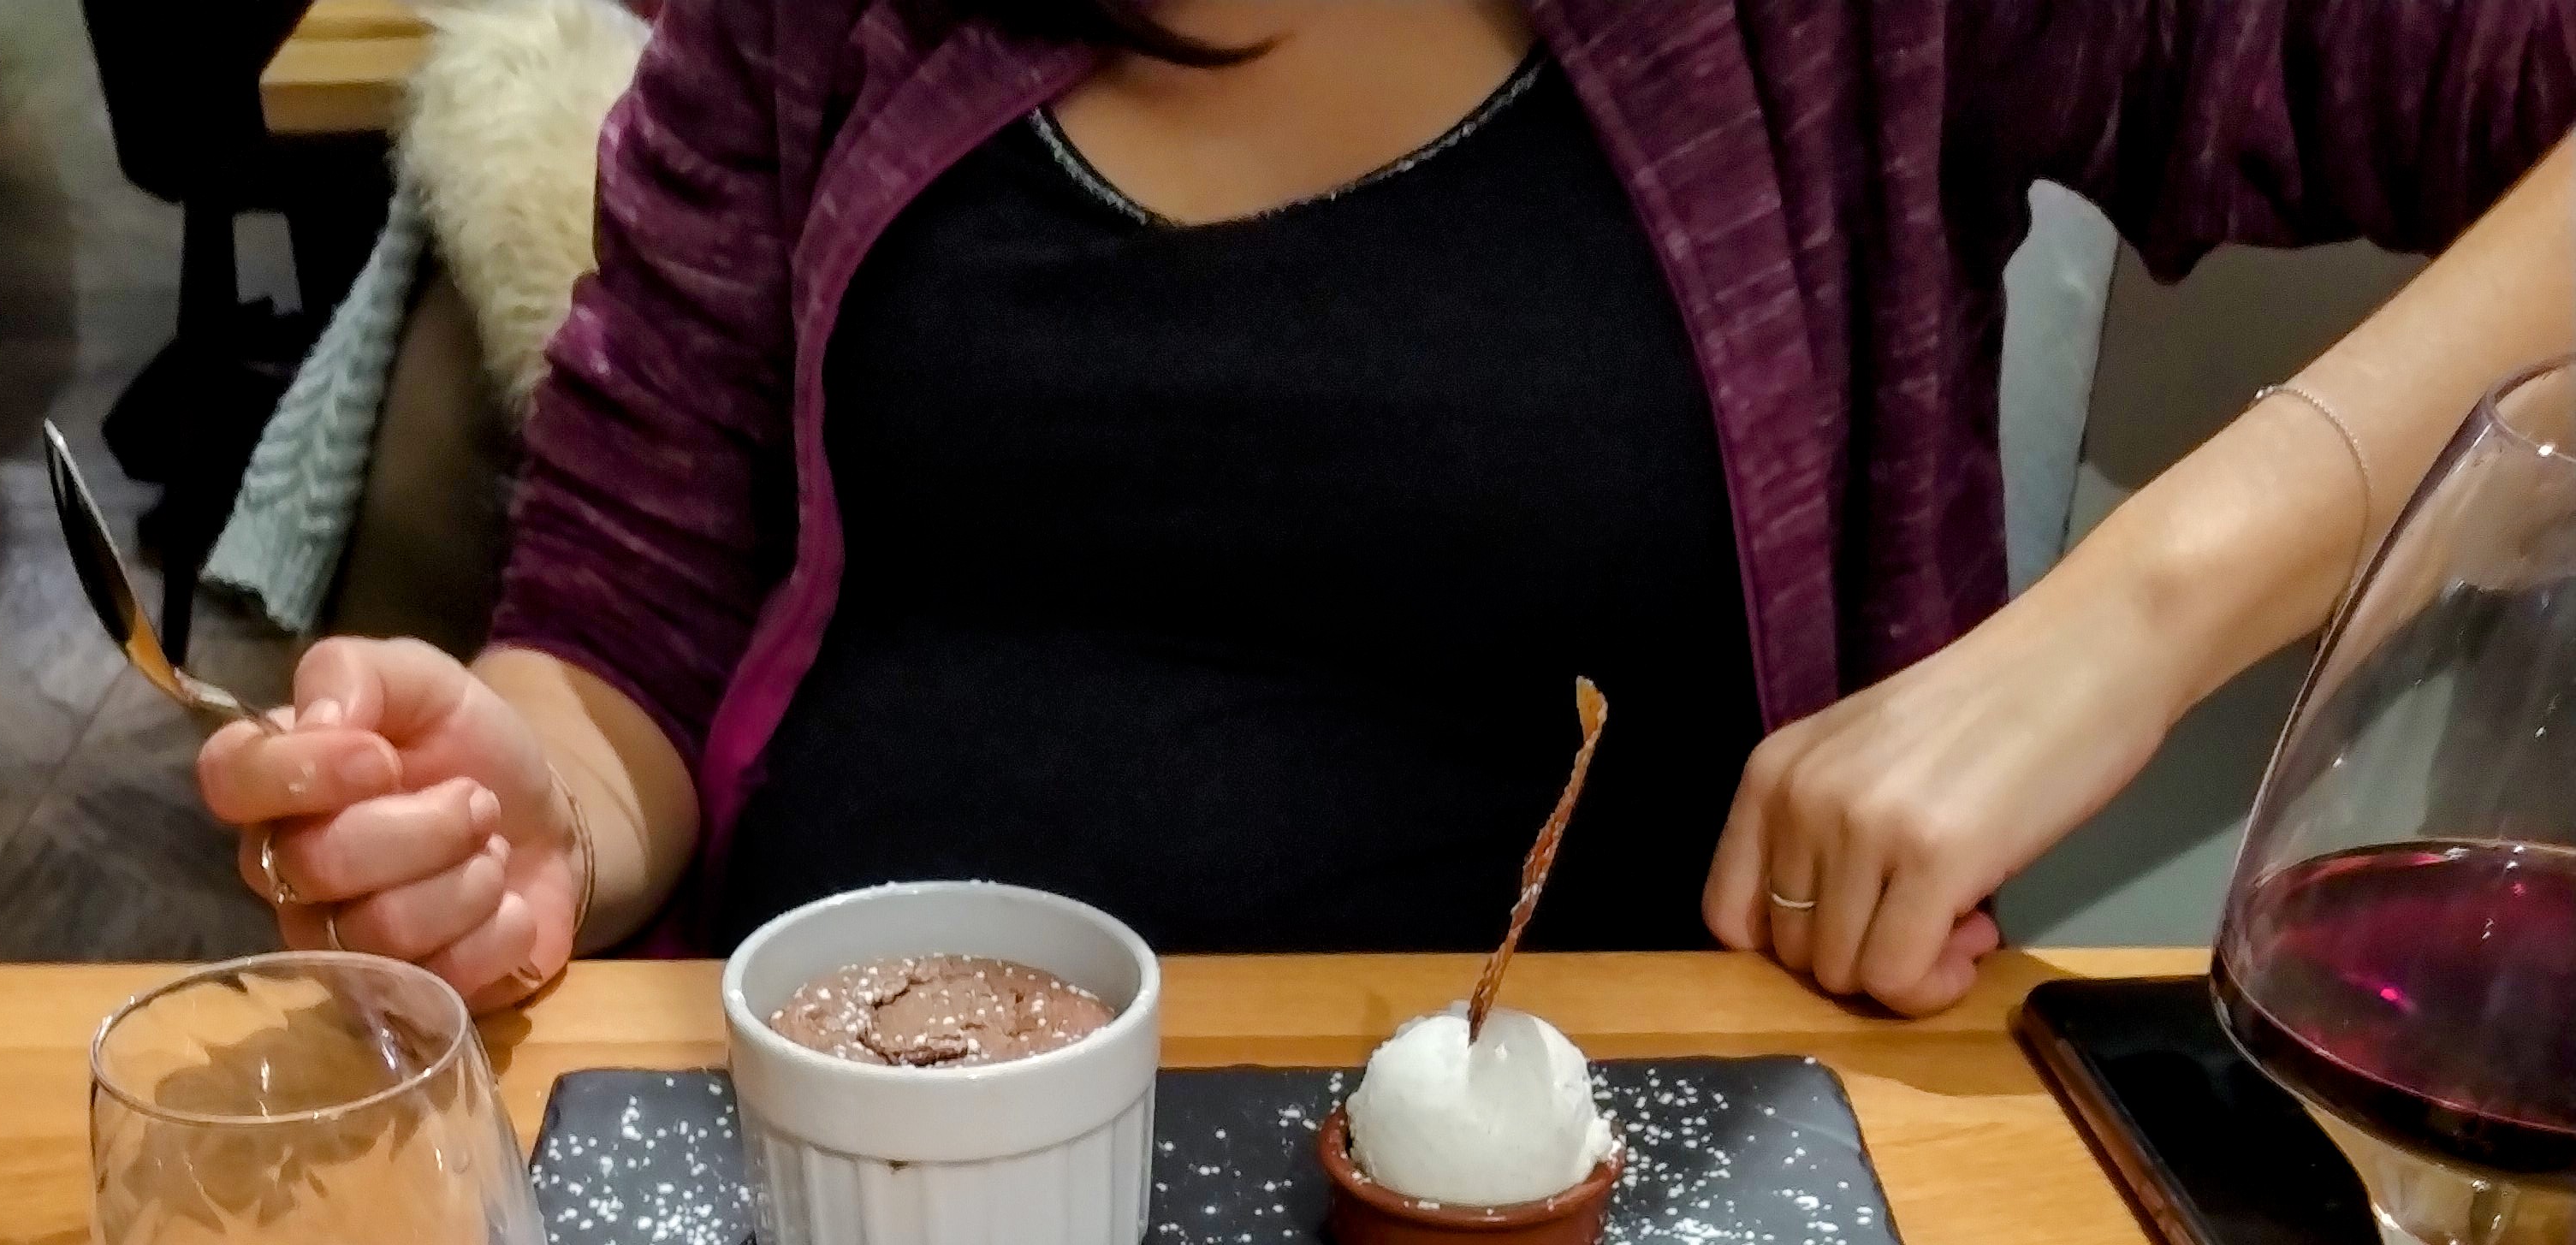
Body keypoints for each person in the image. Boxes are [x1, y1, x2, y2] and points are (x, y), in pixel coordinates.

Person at [199, 0, 2573, 1017]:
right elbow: (627, 616)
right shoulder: (811, 26)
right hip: (843, 1215)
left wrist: (2133, 615)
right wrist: (524, 803)